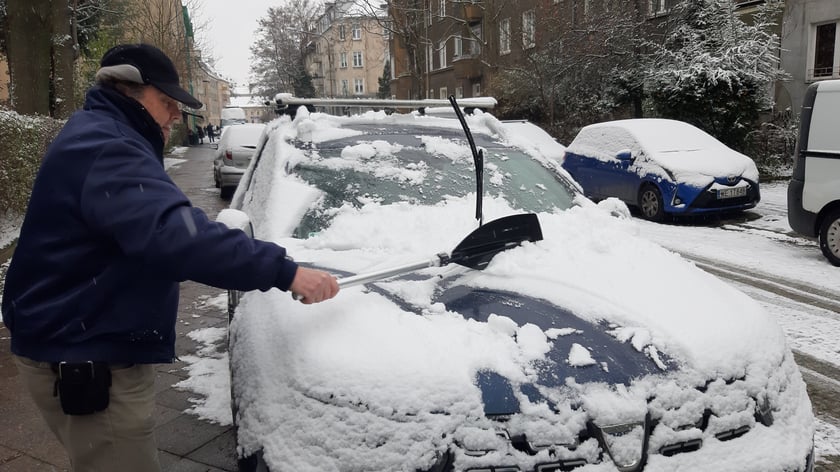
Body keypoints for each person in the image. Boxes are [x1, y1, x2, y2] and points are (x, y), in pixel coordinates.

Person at [1, 43, 338, 472]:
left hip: (80, 337)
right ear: (128, 89)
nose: (177, 115)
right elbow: (177, 236)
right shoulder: (109, 147)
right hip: (84, 356)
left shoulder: (98, 134)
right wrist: (286, 271)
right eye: (166, 101)